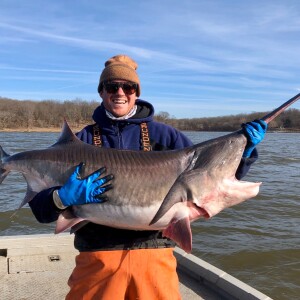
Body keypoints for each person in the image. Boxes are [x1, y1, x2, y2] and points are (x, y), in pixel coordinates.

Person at [29, 54, 267, 300]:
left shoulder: (166, 137)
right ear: (101, 92)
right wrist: (61, 197)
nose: (120, 92)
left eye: (128, 86)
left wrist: (244, 151)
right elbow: (40, 212)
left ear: (136, 92)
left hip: (154, 255)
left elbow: (208, 176)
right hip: (97, 256)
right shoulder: (83, 139)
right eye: (112, 86)